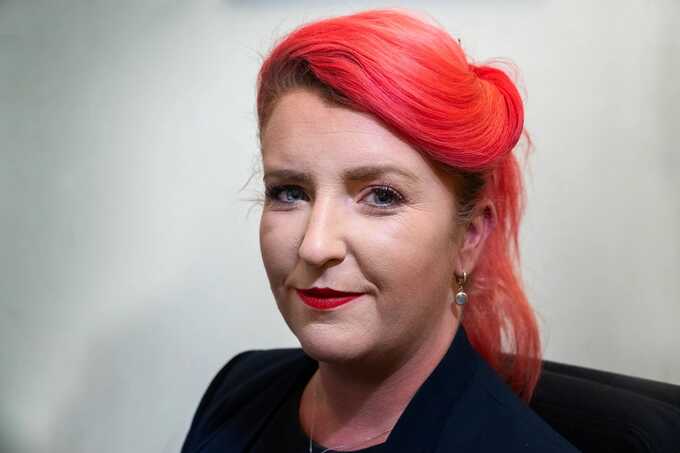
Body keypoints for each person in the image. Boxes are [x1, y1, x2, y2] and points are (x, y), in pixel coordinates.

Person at [181, 9, 579, 453]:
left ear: (469, 236)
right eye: (290, 192)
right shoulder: (238, 391)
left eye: (382, 196)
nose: (315, 246)